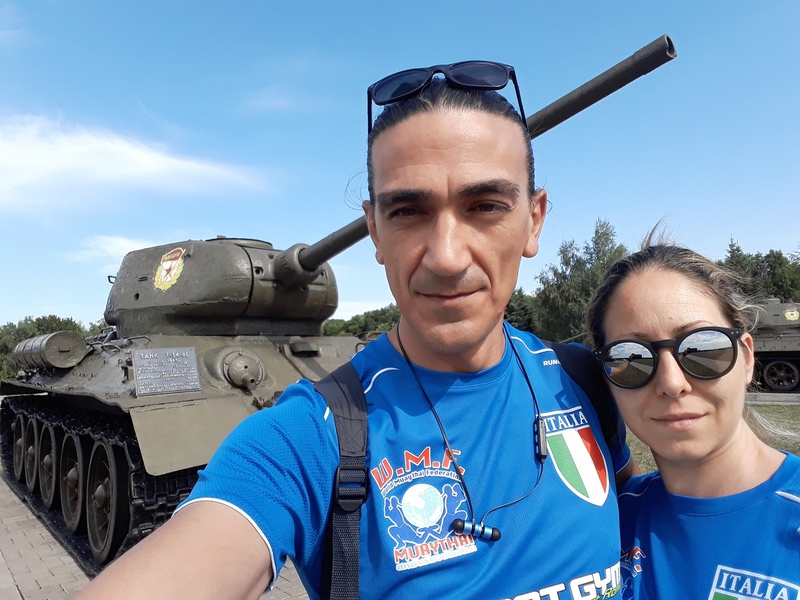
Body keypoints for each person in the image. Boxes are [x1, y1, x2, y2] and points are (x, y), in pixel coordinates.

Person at [75, 62, 635, 600]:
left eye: (485, 205)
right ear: (374, 230)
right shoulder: (313, 435)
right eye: (408, 211)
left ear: (534, 220)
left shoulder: (581, 380)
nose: (446, 258)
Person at [587, 244, 800, 599]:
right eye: (633, 357)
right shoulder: (605, 524)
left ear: (747, 358)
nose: (672, 383)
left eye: (703, 348)